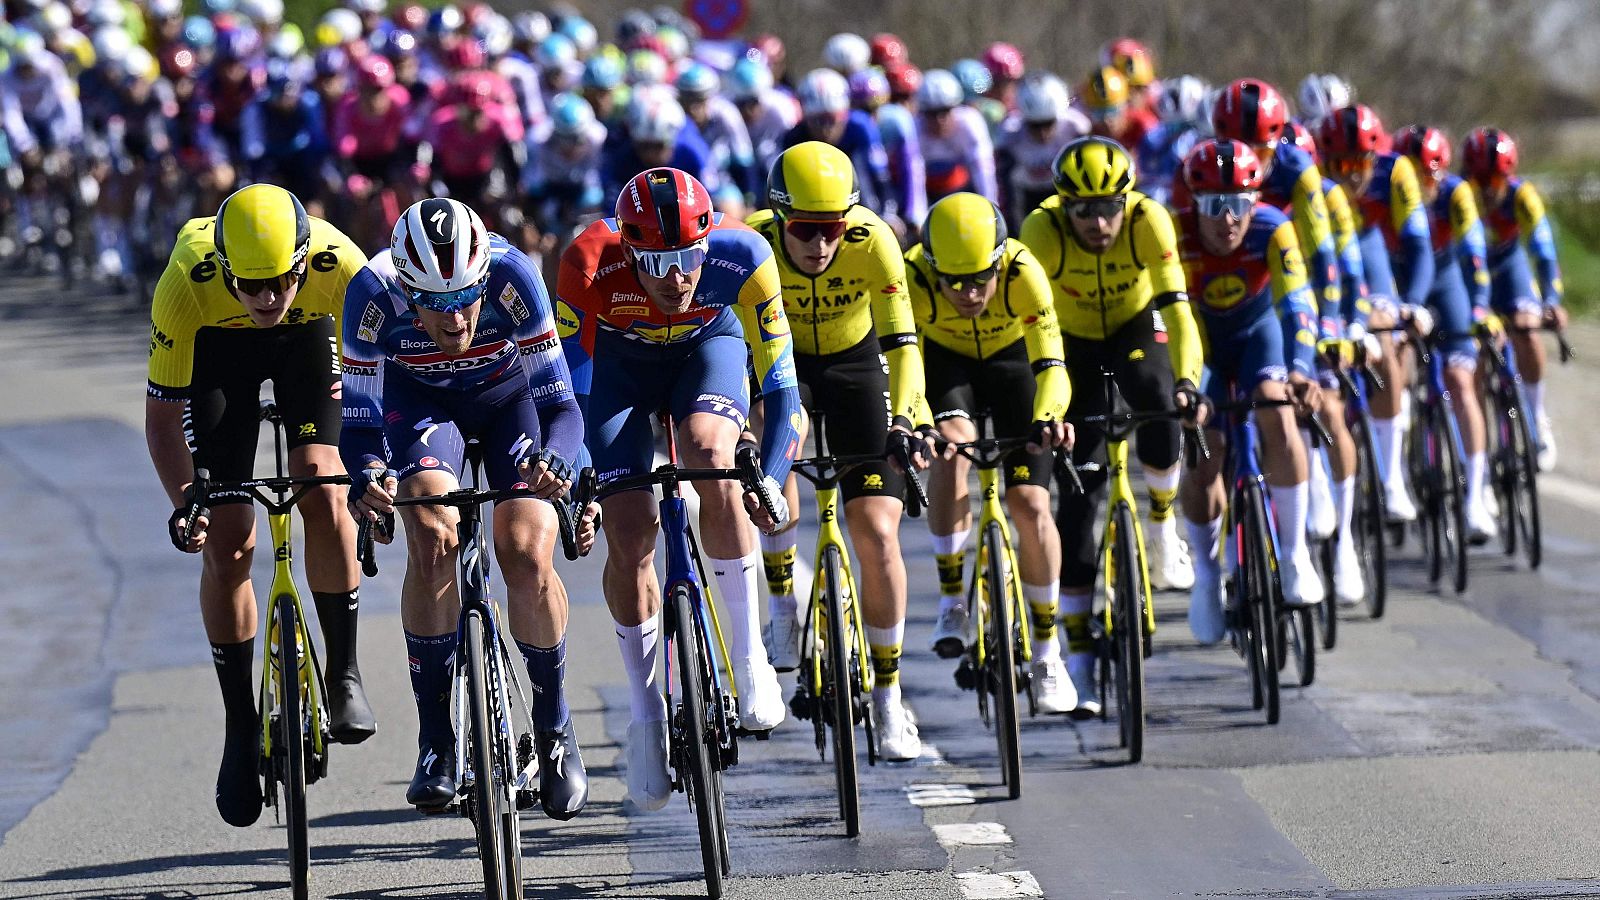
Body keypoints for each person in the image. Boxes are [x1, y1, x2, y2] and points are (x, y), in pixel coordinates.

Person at [556, 167, 802, 811]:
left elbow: (783, 390)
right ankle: (646, 718)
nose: (676, 279)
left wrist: (772, 479)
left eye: (689, 259)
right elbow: (569, 396)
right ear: (628, 249)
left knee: (710, 453)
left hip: (705, 354)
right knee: (629, 529)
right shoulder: (587, 261)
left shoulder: (745, 254)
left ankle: (749, 656)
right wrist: (580, 484)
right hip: (616, 373)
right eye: (657, 264)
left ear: (708, 241)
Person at [340, 197, 590, 820]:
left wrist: (558, 462)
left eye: (467, 298)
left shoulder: (513, 277)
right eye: (436, 303)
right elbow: (359, 425)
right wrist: (369, 474)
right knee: (430, 534)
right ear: (406, 288)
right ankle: (436, 739)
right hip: (420, 406)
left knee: (525, 547)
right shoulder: (370, 295)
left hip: (509, 403)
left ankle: (555, 729)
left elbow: (562, 408)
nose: (456, 320)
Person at [148, 184, 375, 828]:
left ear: (304, 262)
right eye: (251, 285)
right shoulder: (186, 280)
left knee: (321, 484)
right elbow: (163, 420)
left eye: (281, 281)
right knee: (229, 540)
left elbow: (384, 382)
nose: (269, 297)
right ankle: (240, 722)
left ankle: (344, 671)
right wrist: (186, 503)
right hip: (219, 354)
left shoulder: (341, 264)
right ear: (226, 270)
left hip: (311, 342)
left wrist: (371, 473)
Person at [746, 142, 929, 760]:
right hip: (781, 365)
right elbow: (731, 344)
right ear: (779, 218)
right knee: (773, 460)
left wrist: (906, 419)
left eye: (832, 228)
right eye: (805, 229)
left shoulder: (873, 241)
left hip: (857, 366)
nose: (821, 244)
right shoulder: (753, 243)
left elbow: (904, 346)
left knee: (876, 531)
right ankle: (781, 608)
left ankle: (889, 696)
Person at [1019, 138, 1202, 708]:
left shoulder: (1149, 219)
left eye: (1108, 208)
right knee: (1079, 493)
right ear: (1063, 207)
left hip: (1133, 329)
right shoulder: (1041, 231)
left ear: (1127, 202)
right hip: (1069, 342)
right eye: (1083, 210)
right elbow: (1031, 323)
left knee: (1159, 394)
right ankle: (1076, 644)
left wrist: (1188, 380)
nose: (1098, 223)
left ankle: (1162, 527)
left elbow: (1178, 312)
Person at [907, 192, 1074, 711]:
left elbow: (1052, 363)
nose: (969, 293)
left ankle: (1047, 651)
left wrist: (1049, 416)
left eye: (981, 278)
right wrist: (917, 422)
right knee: (952, 447)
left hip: (1012, 364)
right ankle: (952, 599)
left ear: (999, 262)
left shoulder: (1023, 271)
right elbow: (904, 363)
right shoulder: (912, 276)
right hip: (947, 365)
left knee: (1031, 503)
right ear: (933, 269)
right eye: (953, 282)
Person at [1174, 139, 1324, 640]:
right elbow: (1164, 318)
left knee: (1277, 411)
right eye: (1214, 205)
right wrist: (1183, 385)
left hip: (1259, 336)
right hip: (1202, 344)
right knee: (1204, 452)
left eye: (1239, 203)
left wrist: (1301, 368)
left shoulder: (1273, 228)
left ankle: (1295, 553)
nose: (1228, 219)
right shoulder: (1175, 234)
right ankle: (1206, 573)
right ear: (1194, 202)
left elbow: (1298, 304)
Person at [1317, 105, 1439, 525]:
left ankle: (1391, 478)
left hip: (1370, 254)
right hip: (1327, 257)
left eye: (1361, 164)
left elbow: (1419, 246)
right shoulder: (1311, 178)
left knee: (1386, 343)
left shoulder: (1395, 171)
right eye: (1341, 165)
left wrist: (1414, 303)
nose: (1353, 176)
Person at [1395, 124, 1497, 542]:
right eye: (1415, 176)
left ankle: (1476, 494)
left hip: (1448, 280)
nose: (1423, 186)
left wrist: (1479, 308)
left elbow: (1475, 255)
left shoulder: (1456, 193)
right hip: (1404, 279)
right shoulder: (1392, 194)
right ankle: (1396, 470)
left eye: (1430, 177)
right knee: (1397, 367)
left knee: (1460, 380)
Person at [1461, 126, 1567, 470]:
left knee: (1527, 331)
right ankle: (1479, 449)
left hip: (1510, 268)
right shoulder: (1459, 197)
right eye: (1479, 181)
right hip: (1471, 274)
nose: (1487, 191)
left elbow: (1544, 253)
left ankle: (1536, 416)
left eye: (1495, 181)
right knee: (1473, 355)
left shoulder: (1522, 196)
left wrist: (1551, 301)